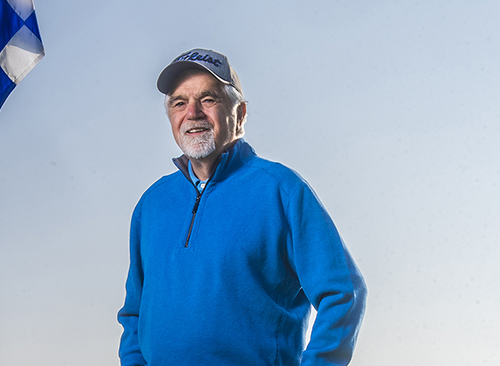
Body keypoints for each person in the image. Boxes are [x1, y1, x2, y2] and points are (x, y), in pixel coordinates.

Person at [118, 48, 366, 366]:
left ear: (240, 114)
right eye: (179, 102)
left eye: (209, 99)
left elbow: (344, 293)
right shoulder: (151, 205)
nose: (192, 112)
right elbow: (134, 312)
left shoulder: (281, 190)